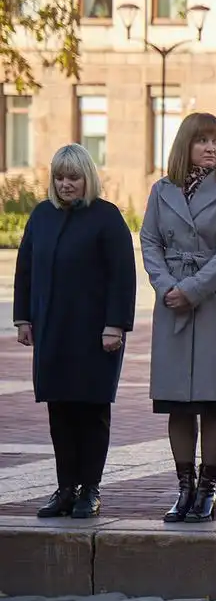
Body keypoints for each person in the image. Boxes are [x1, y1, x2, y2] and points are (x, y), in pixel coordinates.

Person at [140, 113, 216, 523]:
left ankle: (208, 488)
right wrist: (166, 284)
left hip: (215, 302)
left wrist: (192, 289)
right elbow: (149, 239)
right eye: (202, 140)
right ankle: (183, 488)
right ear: (184, 144)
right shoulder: (161, 190)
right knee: (177, 404)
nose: (211, 148)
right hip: (171, 302)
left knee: (214, 402)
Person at [15, 144, 137, 519]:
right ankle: (65, 487)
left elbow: (122, 276)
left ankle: (90, 489)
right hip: (52, 329)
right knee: (60, 410)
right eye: (60, 177)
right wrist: (23, 318)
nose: (66, 184)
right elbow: (25, 269)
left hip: (95, 333)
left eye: (74, 177)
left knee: (91, 411)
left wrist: (115, 325)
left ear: (88, 179)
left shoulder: (106, 217)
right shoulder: (41, 216)